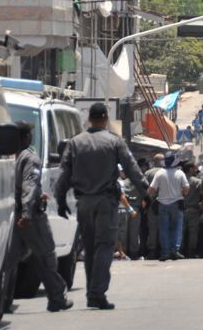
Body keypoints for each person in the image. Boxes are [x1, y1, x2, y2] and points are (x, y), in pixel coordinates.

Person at [54, 102, 148, 310]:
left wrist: (60, 200)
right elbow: (132, 170)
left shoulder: (75, 142)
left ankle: (92, 292)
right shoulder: (114, 142)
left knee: (89, 248)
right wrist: (146, 193)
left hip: (84, 202)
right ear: (105, 119)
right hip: (106, 202)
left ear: (89, 119)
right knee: (104, 246)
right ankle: (96, 293)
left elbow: (63, 174)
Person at [13, 121, 72, 312]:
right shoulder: (30, 158)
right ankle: (57, 297)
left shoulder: (12, 157)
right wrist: (27, 212)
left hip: (13, 214)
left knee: (8, 259)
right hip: (30, 217)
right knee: (46, 256)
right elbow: (29, 186)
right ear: (27, 137)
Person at [148, 153, 190, 261]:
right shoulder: (180, 173)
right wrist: (180, 193)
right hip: (176, 204)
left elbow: (151, 190)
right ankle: (174, 251)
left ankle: (165, 252)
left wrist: (154, 195)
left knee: (164, 229)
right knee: (176, 228)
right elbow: (186, 188)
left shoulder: (159, 173)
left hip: (162, 204)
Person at [181, 163, 203, 258]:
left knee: (180, 232)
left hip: (181, 210)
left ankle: (180, 251)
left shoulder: (179, 180)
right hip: (193, 210)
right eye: (194, 168)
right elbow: (202, 194)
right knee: (193, 232)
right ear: (190, 169)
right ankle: (191, 252)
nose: (196, 170)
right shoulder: (197, 181)